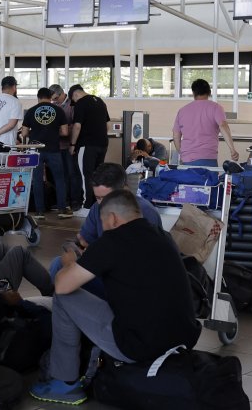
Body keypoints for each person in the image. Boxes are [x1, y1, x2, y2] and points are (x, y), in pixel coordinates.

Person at [30, 189, 201, 405]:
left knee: (64, 297)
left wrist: (69, 263)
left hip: (140, 346)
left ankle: (65, 383)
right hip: (183, 339)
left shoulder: (113, 241)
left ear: (112, 218)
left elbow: (63, 285)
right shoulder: (163, 236)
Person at [48, 163, 163, 297]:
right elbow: (81, 241)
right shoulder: (97, 209)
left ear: (124, 190)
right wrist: (76, 248)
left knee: (63, 275)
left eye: (107, 197)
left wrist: (84, 257)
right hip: (106, 270)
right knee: (58, 264)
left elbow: (138, 264)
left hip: (128, 283)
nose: (103, 204)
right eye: (98, 198)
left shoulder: (146, 213)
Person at [22, 87, 72, 219]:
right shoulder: (59, 110)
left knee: (37, 180)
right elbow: (65, 132)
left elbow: (24, 133)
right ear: (50, 97)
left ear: (38, 97)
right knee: (59, 179)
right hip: (53, 149)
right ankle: (62, 209)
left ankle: (39, 212)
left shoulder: (30, 111)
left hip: (35, 149)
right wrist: (54, 133)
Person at [172, 79, 239, 167]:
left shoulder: (182, 111)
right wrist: (232, 149)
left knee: (188, 181)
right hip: (207, 157)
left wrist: (182, 153)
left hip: (187, 160)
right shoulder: (216, 108)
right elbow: (223, 126)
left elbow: (176, 135)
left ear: (193, 93)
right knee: (209, 180)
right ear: (209, 92)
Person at [68, 85, 111, 213]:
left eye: (73, 100)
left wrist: (72, 144)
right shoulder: (100, 101)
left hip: (87, 145)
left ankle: (87, 206)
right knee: (97, 175)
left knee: (85, 174)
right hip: (102, 144)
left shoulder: (81, 104)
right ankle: (98, 204)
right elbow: (107, 124)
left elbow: (77, 126)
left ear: (75, 95)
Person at [49, 84, 82, 210]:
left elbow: (75, 125)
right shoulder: (53, 107)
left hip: (69, 146)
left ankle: (75, 201)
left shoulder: (72, 105)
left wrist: (62, 130)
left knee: (72, 173)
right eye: (53, 99)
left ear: (62, 93)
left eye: (56, 98)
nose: (55, 101)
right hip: (57, 146)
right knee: (61, 174)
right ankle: (63, 200)